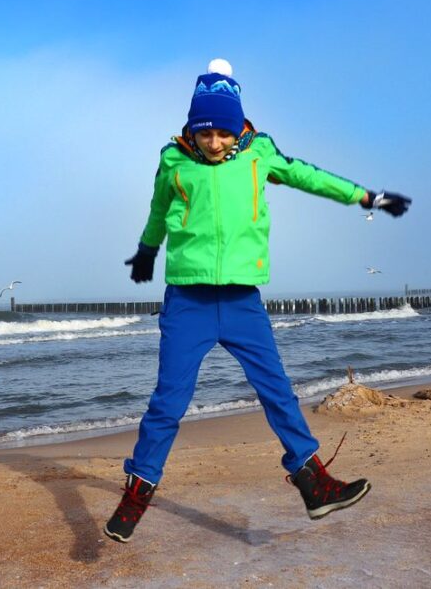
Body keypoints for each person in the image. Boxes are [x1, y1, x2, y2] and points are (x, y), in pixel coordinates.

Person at [104, 59, 411, 543]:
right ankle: (138, 491)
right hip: (188, 301)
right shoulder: (173, 160)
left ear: (237, 126)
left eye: (223, 133)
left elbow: (309, 177)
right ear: (193, 128)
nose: (215, 143)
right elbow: (158, 210)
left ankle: (313, 484)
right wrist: (146, 251)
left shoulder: (259, 153)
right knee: (168, 402)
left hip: (244, 301)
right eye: (205, 133)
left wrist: (365, 197)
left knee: (277, 391)